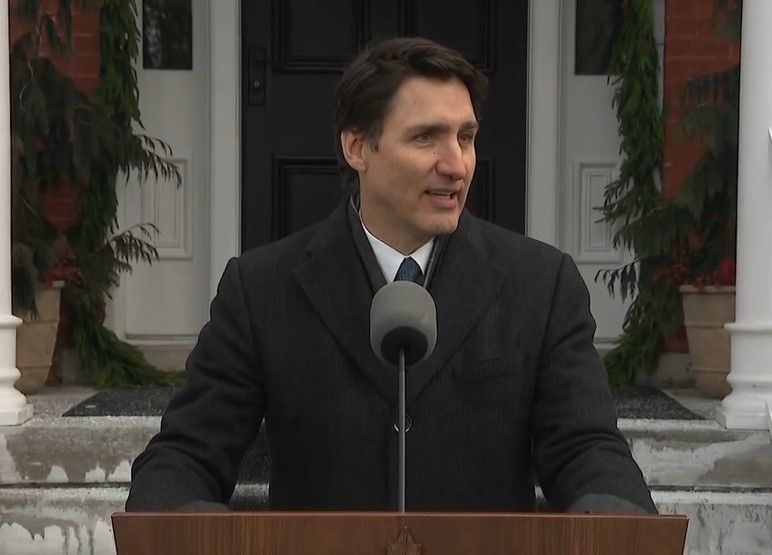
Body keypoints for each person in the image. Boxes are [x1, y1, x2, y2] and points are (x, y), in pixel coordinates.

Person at [126, 37, 656, 514]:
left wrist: (615, 521)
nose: (457, 165)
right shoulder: (262, 288)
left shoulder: (541, 284)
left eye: (466, 137)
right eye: (426, 138)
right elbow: (186, 454)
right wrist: (185, 526)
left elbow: (588, 448)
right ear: (357, 147)